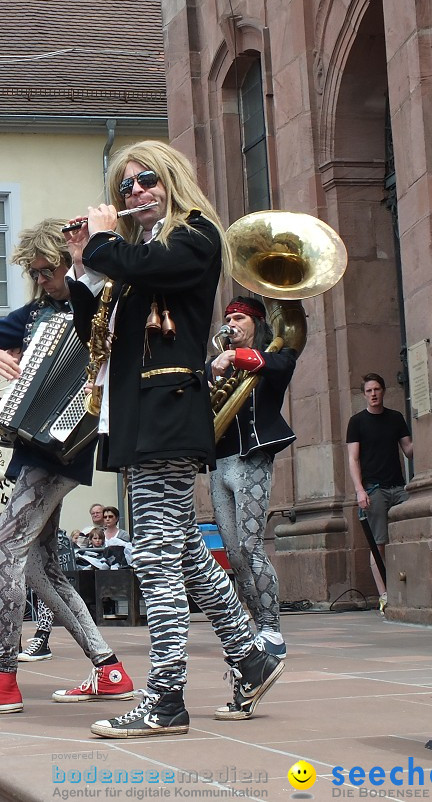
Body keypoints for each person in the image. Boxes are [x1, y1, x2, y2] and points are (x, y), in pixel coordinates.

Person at [65, 139, 284, 737]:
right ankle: (251, 656)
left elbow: (141, 267)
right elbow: (98, 335)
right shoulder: (134, 258)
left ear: (168, 179)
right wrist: (84, 268)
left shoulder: (194, 236)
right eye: (124, 188)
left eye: (143, 182)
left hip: (169, 412)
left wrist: (105, 242)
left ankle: (166, 698)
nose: (133, 193)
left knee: (158, 562)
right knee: (183, 547)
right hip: (143, 417)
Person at [0, 218, 135, 716]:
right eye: (34, 273)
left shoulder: (96, 300)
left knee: (2, 548)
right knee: (45, 570)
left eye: (46, 271)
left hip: (66, 446)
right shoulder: (35, 313)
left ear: (70, 262)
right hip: (33, 447)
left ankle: (3, 677)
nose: (40, 281)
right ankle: (108, 668)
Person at [209, 295, 296, 660]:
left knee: (250, 546)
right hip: (219, 462)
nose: (232, 322)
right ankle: (253, 620)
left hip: (251, 459)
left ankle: (271, 627)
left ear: (257, 324)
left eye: (240, 317)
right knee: (233, 553)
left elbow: (277, 365)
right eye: (228, 317)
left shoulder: (273, 356)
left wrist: (234, 357)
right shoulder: (219, 364)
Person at [345, 373, 413, 610]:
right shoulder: (357, 422)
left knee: (408, 536)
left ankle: (407, 589)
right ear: (364, 394)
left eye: (377, 389)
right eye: (369, 391)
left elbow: (409, 450)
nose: (373, 394)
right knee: (379, 543)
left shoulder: (395, 418)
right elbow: (353, 459)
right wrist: (359, 490)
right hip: (374, 490)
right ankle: (384, 595)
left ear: (383, 391)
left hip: (398, 487)